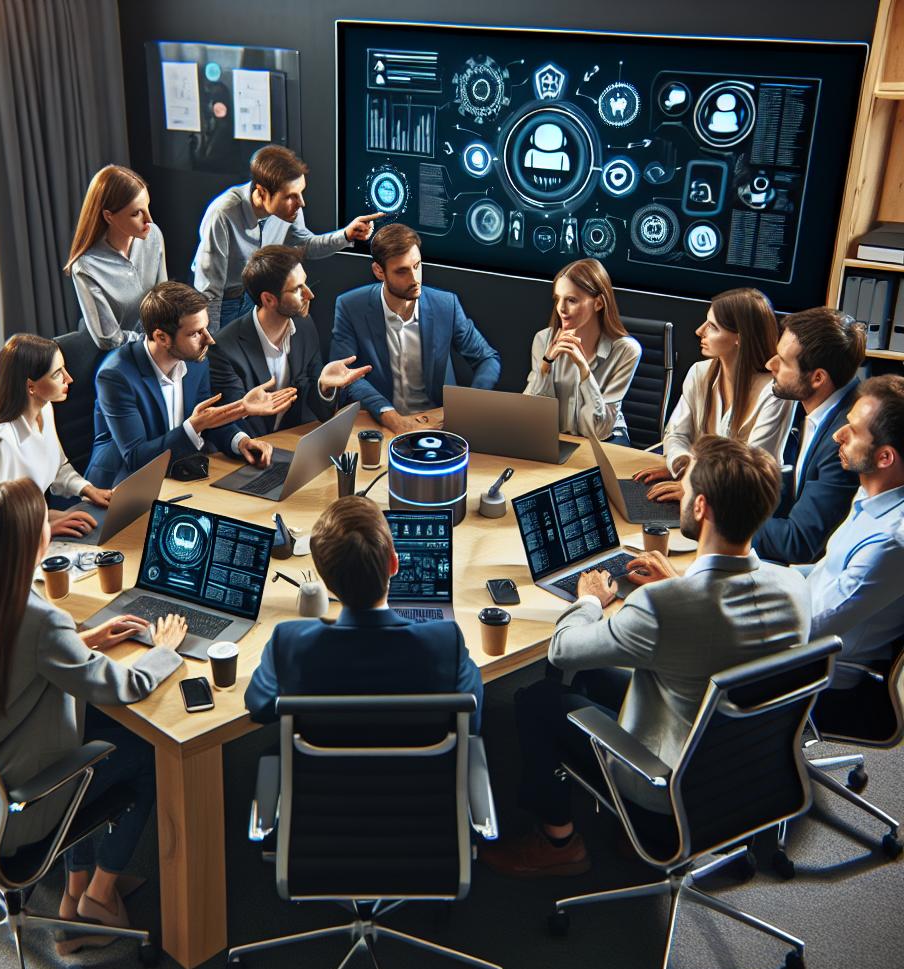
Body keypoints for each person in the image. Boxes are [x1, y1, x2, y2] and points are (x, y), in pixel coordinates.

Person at [482, 435, 810, 878]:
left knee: (538, 699)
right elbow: (714, 621)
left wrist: (590, 601)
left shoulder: (664, 606)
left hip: (667, 787)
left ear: (700, 508)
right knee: (597, 676)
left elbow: (562, 649)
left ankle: (558, 844)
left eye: (687, 489)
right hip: (746, 772)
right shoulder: (794, 589)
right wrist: (674, 584)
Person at [0, 478, 188, 952]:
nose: (51, 530)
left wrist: (87, 641)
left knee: (92, 734)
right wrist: (164, 650)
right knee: (143, 754)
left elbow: (21, 656)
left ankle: (75, 894)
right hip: (23, 804)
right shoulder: (42, 620)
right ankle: (97, 898)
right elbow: (126, 686)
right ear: (32, 542)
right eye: (44, 524)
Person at [245, 495, 483, 731]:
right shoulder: (445, 641)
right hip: (427, 769)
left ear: (325, 581)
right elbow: (471, 722)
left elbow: (260, 706)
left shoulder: (288, 643)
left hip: (326, 770)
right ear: (394, 564)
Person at [86, 281, 298, 488]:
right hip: (120, 488)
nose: (209, 339)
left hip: (176, 476)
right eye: (196, 333)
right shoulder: (115, 376)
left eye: (206, 328)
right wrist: (195, 425)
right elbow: (136, 457)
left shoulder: (196, 361)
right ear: (161, 337)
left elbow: (207, 418)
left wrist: (240, 441)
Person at [801, 375, 904, 735]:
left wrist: (718, 599)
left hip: (821, 675)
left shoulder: (891, 541)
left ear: (885, 456)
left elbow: (813, 626)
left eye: (853, 431)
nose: (837, 436)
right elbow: (822, 572)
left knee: (682, 649)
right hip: (804, 637)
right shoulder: (872, 497)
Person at [329, 223, 502, 435]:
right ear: (378, 271)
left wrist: (465, 409)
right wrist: (391, 418)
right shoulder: (350, 306)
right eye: (402, 271)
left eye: (417, 265)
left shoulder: (446, 305)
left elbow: (487, 358)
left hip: (437, 425)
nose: (414, 279)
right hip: (379, 425)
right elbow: (345, 375)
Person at [191, 144, 381, 331]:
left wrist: (347, 234)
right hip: (225, 302)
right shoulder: (223, 213)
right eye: (291, 196)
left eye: (301, 193)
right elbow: (210, 291)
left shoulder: (291, 210)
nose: (301, 203)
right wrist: (210, 342)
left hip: (257, 299)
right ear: (262, 192)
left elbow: (306, 245)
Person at [635, 287, 792, 503]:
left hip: (743, 505)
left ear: (740, 338)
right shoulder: (700, 373)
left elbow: (751, 471)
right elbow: (676, 435)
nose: (699, 331)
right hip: (703, 495)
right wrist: (681, 465)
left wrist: (692, 486)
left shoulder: (775, 393)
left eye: (713, 327)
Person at [209, 245, 372, 441]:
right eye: (297, 289)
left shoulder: (304, 326)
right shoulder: (224, 347)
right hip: (248, 452)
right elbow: (228, 424)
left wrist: (323, 386)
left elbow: (320, 410)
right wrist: (244, 441)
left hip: (290, 444)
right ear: (268, 299)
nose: (309, 295)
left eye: (305, 283)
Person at [0, 334, 107, 537]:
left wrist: (87, 489)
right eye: (58, 373)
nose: (69, 378)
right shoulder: (0, 444)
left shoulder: (45, 410)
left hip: (31, 524)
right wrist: (45, 529)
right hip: (0, 547)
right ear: (30, 386)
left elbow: (57, 466)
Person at [754, 308, 866, 564]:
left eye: (782, 361)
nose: (770, 364)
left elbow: (799, 542)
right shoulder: (816, 407)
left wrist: (721, 523)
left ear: (818, 378)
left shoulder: (846, 439)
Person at [523, 258, 641, 444]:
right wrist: (546, 366)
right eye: (557, 299)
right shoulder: (543, 340)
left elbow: (598, 430)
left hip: (606, 440)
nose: (561, 308)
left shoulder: (626, 350)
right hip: (557, 438)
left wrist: (584, 370)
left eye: (571, 300)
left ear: (599, 303)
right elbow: (528, 417)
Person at [64, 165, 167, 351]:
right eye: (136, 213)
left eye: (147, 207)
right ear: (109, 216)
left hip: (158, 348)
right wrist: (156, 341)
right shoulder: (86, 266)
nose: (149, 220)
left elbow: (164, 297)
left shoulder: (153, 236)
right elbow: (109, 339)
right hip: (117, 358)